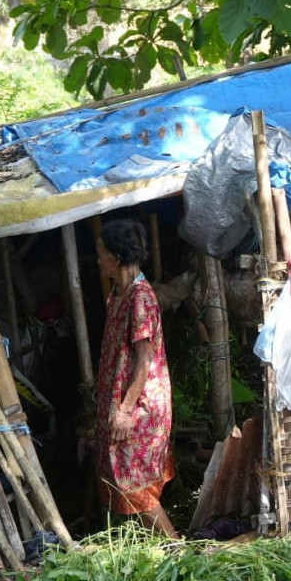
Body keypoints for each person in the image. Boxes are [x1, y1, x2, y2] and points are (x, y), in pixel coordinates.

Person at [92, 218, 178, 536]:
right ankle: (163, 546)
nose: (98, 260)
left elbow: (144, 360)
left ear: (115, 258)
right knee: (124, 477)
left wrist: (125, 410)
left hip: (140, 404)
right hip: (124, 400)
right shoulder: (119, 292)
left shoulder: (140, 298)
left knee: (133, 481)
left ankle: (176, 546)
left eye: (101, 254)